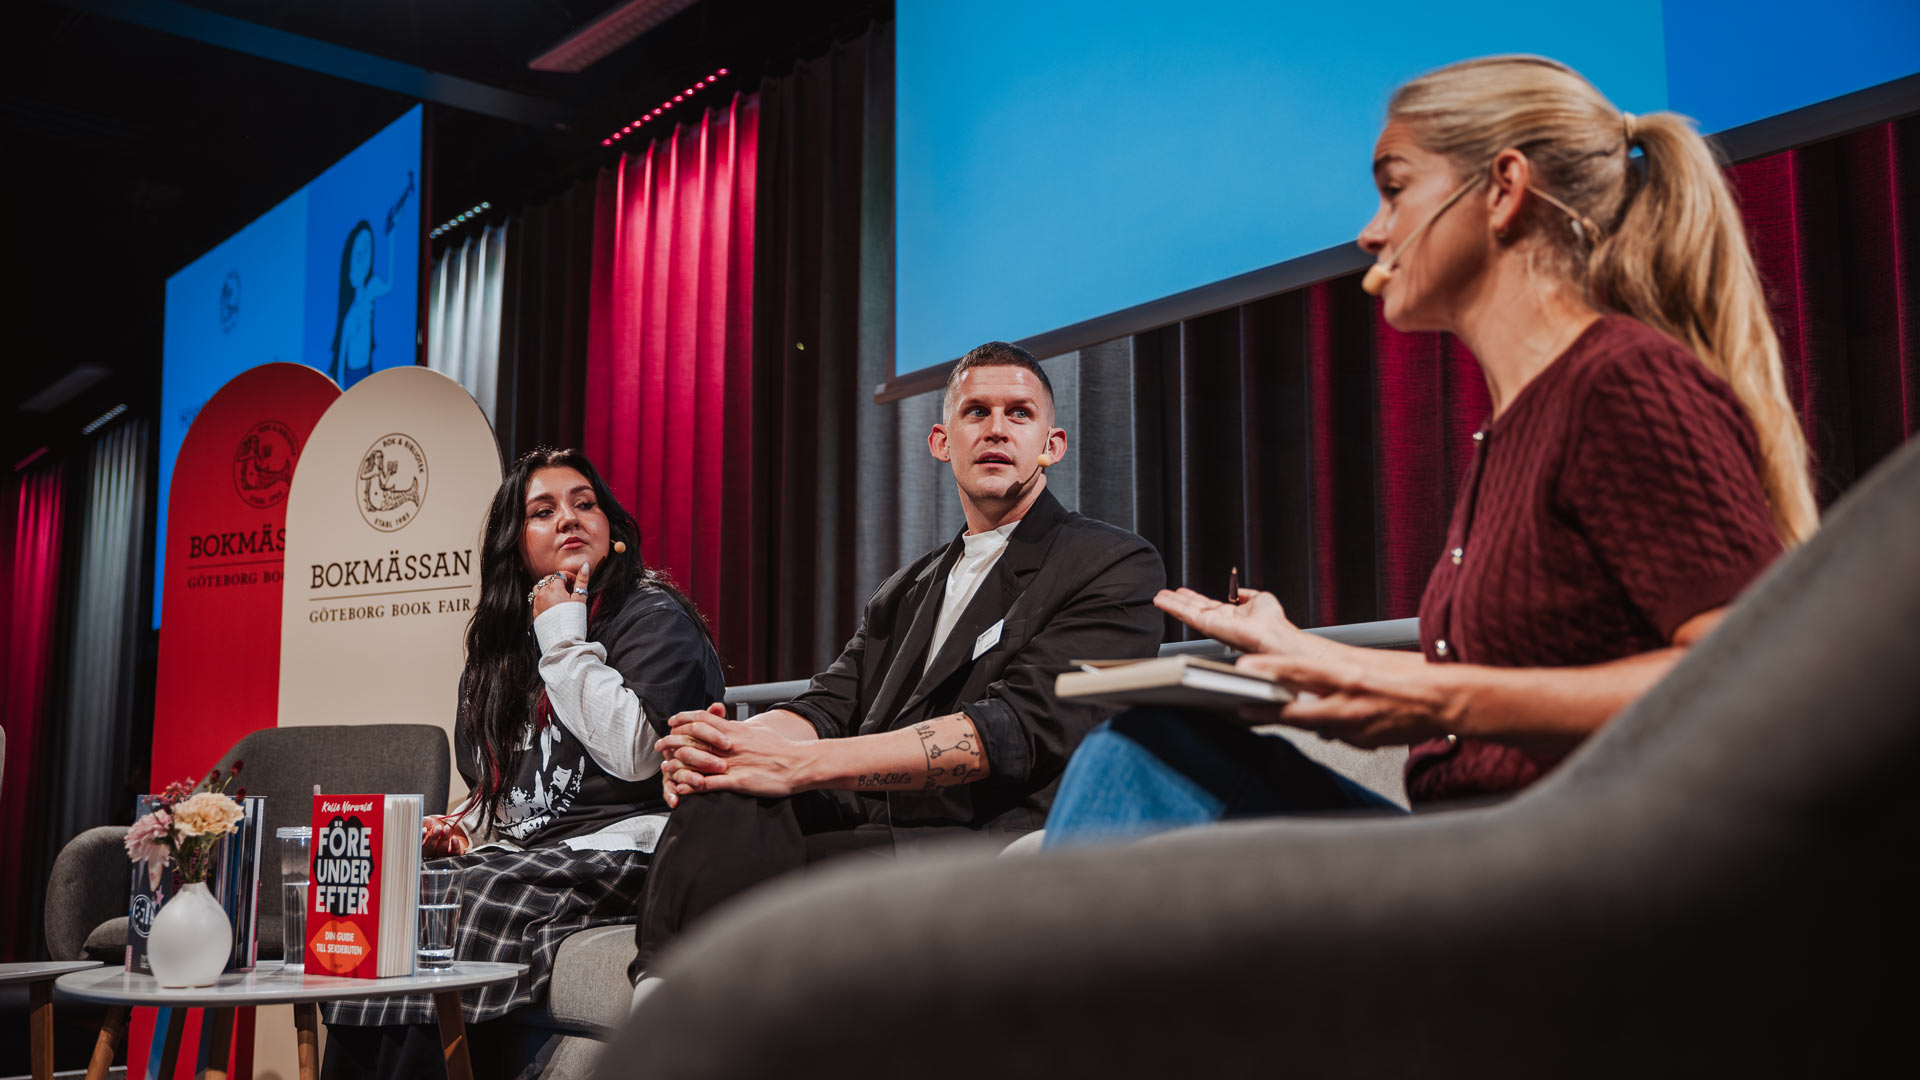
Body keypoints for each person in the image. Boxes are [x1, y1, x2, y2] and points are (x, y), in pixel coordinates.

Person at [1042, 54, 1815, 848]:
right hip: (1477, 844)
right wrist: (1298, 653)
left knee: (1134, 760)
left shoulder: (1622, 383)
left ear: (1504, 190)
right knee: (1145, 750)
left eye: (1395, 189)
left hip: (1568, 862)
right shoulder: (1516, 426)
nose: (1371, 233)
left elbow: (1750, 676)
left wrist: (1431, 699)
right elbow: (1512, 683)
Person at [635, 341, 1165, 979]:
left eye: (1019, 413)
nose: (997, 428)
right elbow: (826, 705)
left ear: (1052, 445)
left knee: (752, 840)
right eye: (977, 411)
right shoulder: (905, 589)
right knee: (724, 790)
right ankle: (661, 999)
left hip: (981, 836)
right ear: (942, 442)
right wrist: (726, 745)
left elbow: (1016, 731)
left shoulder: (1110, 562)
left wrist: (797, 765)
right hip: (874, 823)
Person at [321, 448, 725, 1078]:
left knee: (454, 904)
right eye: (544, 511)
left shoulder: (652, 617)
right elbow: (508, 792)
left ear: (612, 527)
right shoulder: (500, 650)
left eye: (585, 504)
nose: (569, 518)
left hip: (627, 846)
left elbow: (636, 755)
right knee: (382, 896)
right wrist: (463, 826)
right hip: (533, 852)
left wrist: (563, 638)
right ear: (515, 545)